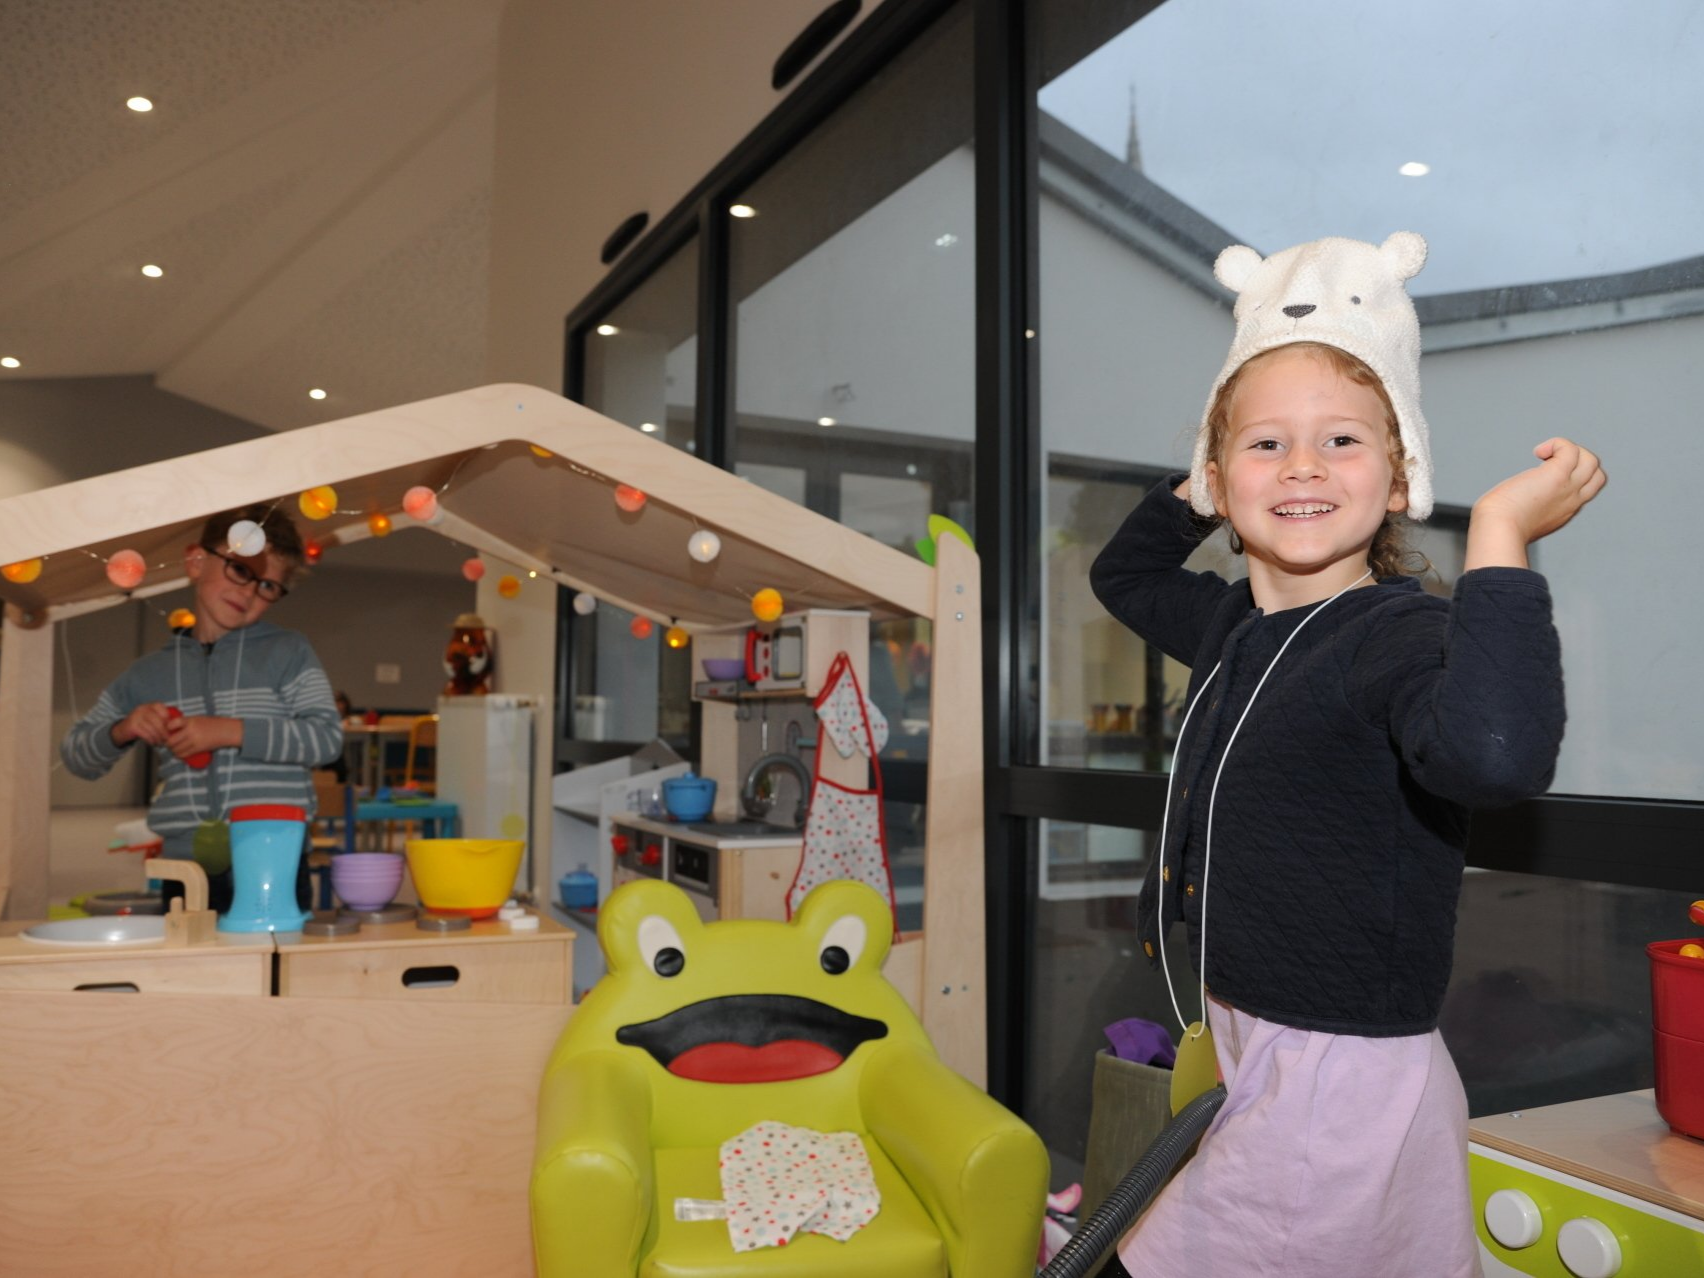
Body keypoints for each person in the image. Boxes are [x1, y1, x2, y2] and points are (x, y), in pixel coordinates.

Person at [1090, 233, 1605, 1278]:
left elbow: (1497, 757)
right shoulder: (1236, 625)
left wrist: (1500, 534)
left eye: (1342, 441)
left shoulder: (1395, 635)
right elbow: (1124, 573)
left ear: (1402, 467)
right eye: (1266, 446)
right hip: (1246, 1036)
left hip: (1340, 1072)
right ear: (1219, 475)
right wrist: (1201, 474)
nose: (1305, 468)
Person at [62, 503, 344, 912]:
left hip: (273, 854)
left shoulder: (288, 652)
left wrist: (231, 731)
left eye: (267, 586)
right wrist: (122, 729)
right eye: (240, 570)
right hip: (185, 864)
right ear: (196, 562)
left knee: (270, 965)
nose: (249, 592)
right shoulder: (148, 674)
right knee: (191, 971)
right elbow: (76, 755)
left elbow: (326, 738)